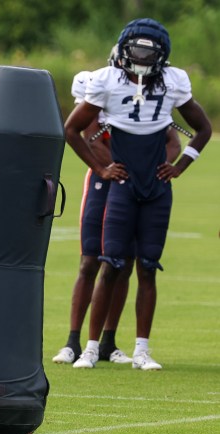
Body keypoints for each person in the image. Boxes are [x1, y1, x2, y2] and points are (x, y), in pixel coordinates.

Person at [64, 18, 211, 370]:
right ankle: (89, 347)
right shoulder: (105, 80)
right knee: (109, 264)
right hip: (123, 187)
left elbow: (201, 129)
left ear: (162, 55)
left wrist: (179, 166)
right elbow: (71, 129)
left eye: (150, 51)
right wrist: (101, 169)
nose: (143, 58)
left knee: (147, 267)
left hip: (157, 188)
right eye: (137, 50)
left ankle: (141, 349)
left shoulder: (173, 82)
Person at [53, 48, 182, 365]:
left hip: (137, 189)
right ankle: (74, 341)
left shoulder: (141, 100)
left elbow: (171, 138)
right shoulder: (98, 93)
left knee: (124, 263)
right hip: (103, 184)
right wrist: (113, 168)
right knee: (90, 261)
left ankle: (108, 342)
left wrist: (150, 168)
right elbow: (87, 135)